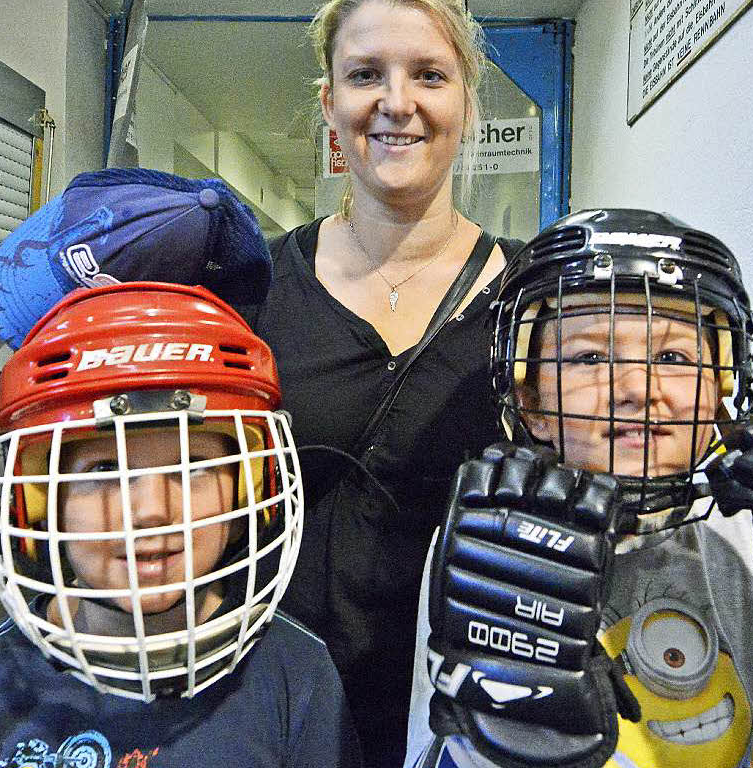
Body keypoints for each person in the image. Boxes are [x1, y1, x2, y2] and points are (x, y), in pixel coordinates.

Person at [407, 209, 753, 767]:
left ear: (720, 388)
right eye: (590, 356)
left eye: (673, 356)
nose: (638, 387)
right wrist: (504, 734)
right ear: (530, 402)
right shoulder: (493, 543)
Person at [229, 1, 522, 763]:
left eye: (429, 74)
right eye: (366, 75)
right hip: (275, 706)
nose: (398, 103)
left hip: (473, 717)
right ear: (331, 102)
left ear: (466, 98)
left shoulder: (535, 300)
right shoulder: (254, 286)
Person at [0, 280, 362, 766]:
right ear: (42, 502)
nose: (151, 510)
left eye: (193, 465)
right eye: (105, 470)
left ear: (248, 489)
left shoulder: (296, 679)